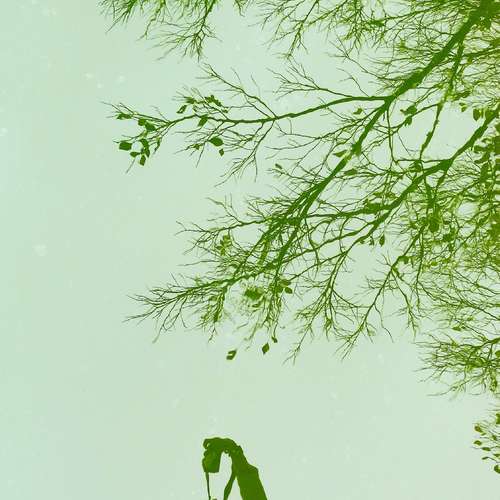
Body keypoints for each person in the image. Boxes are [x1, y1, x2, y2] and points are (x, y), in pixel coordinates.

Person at [202, 437, 268, 500]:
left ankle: (222, 447)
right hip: (249, 483)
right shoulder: (240, 469)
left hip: (249, 480)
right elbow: (229, 486)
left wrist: (214, 441)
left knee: (240, 465)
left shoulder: (243, 470)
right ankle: (222, 447)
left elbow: (232, 445)